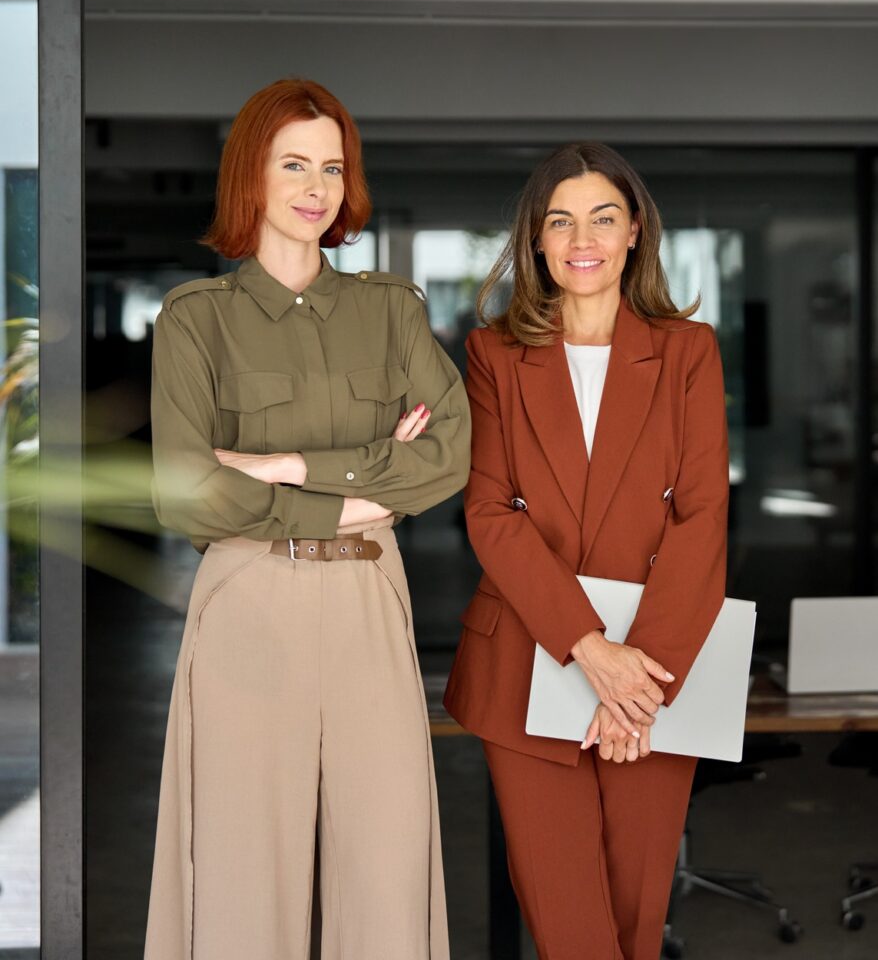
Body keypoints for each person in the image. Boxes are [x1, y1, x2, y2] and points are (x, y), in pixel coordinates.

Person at [144, 78, 469, 960]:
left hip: (368, 595)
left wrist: (279, 466)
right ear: (252, 174)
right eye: (294, 164)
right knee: (247, 871)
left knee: (388, 863)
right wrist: (371, 479)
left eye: (332, 166)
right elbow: (185, 494)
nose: (316, 186)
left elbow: (446, 459)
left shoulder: (391, 311)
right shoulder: (194, 321)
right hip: (249, 596)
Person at [444, 142, 729, 960]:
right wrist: (592, 650)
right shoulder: (495, 354)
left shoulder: (687, 352)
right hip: (533, 662)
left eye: (603, 217)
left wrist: (638, 679)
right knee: (571, 929)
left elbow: (703, 516)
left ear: (635, 231)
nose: (583, 238)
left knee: (637, 923)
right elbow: (491, 511)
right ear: (536, 239)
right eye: (560, 220)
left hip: (656, 675)